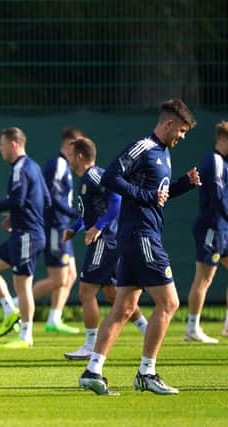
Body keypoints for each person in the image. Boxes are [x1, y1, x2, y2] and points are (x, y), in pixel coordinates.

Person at [79, 99, 199, 395]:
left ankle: (92, 371)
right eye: (181, 130)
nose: (182, 137)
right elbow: (111, 177)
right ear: (168, 123)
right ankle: (147, 373)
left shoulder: (164, 154)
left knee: (124, 308)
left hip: (139, 235)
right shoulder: (143, 147)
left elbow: (158, 196)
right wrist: (144, 196)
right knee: (169, 303)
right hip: (141, 236)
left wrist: (184, 183)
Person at [62, 137, 148, 360]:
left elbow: (116, 202)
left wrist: (97, 228)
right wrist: (75, 227)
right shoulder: (86, 179)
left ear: (80, 157)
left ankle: (91, 345)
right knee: (113, 294)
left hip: (105, 240)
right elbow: (94, 212)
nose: (68, 160)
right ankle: (146, 329)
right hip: (108, 238)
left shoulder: (93, 175)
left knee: (86, 291)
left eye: (70, 156)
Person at [0, 127, 51, 349]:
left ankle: (26, 337)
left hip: (28, 235)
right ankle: (10, 312)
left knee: (23, 285)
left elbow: (18, 199)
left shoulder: (21, 167)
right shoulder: (34, 167)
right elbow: (45, 200)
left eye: (1, 144)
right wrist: (14, 216)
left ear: (13, 144)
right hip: (24, 233)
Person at [22, 127, 82, 335]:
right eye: (78, 145)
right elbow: (52, 198)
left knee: (71, 275)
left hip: (63, 226)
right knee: (58, 279)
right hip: (56, 227)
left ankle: (54, 318)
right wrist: (76, 212)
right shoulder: (58, 163)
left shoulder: (65, 165)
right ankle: (17, 303)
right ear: (69, 145)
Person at [185, 120, 228, 343]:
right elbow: (218, 197)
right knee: (204, 279)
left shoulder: (224, 162)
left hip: (223, 228)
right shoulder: (214, 161)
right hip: (212, 227)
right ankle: (192, 327)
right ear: (223, 139)